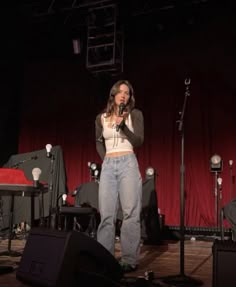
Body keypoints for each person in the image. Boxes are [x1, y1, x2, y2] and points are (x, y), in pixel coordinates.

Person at [95, 80, 144, 273]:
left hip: (128, 162)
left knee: (130, 213)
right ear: (113, 94)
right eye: (120, 91)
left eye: (127, 93)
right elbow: (98, 142)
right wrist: (105, 159)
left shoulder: (135, 114)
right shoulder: (101, 118)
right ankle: (105, 258)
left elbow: (139, 141)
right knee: (106, 214)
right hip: (109, 164)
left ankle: (129, 259)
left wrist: (123, 126)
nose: (124, 95)